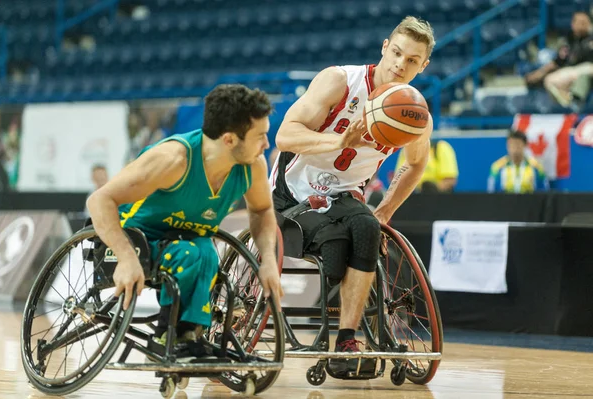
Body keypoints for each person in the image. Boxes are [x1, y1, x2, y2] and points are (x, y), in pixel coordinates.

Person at [270, 16, 434, 376]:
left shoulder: (413, 112)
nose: (400, 65)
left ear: (424, 66)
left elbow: (417, 165)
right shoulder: (340, 81)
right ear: (384, 47)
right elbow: (284, 136)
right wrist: (339, 141)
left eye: (411, 60)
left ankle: (346, 338)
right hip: (294, 190)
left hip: (344, 195)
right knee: (336, 238)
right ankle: (331, 332)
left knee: (367, 228)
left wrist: (387, 209)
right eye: (397, 53)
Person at [87, 84, 284, 359]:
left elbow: (262, 210)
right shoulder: (173, 159)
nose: (266, 144)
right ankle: (167, 335)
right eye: (260, 136)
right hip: (137, 237)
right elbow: (99, 200)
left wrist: (268, 262)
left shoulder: (253, 165)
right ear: (229, 140)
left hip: (186, 242)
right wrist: (126, 257)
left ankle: (188, 334)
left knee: (205, 252)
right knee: (192, 253)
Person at [487, 129, 549, 193]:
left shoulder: (537, 166)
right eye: (511, 145)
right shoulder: (497, 167)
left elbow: (544, 192)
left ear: (525, 145)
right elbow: (491, 192)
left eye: (517, 144)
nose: (514, 148)